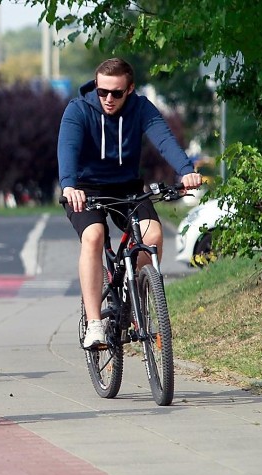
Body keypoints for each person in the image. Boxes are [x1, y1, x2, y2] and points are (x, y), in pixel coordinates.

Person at [58, 58, 202, 349]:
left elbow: (163, 139)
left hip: (127, 189)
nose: (108, 99)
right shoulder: (78, 109)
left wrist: (186, 170)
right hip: (86, 190)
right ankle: (95, 323)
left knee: (153, 236)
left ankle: (136, 294)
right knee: (94, 236)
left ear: (130, 89)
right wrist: (69, 185)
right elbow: (68, 147)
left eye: (117, 93)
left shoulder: (141, 108)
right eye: (102, 92)